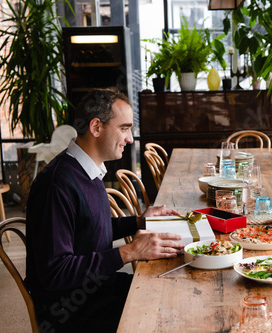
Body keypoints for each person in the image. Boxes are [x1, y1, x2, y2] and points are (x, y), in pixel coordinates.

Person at [25, 88, 185, 333]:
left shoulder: (90, 169)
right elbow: (55, 272)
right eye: (124, 128)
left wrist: (138, 222)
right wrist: (128, 252)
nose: (130, 138)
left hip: (98, 290)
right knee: (164, 319)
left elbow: (89, 229)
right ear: (96, 127)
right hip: (70, 313)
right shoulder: (56, 185)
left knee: (170, 291)